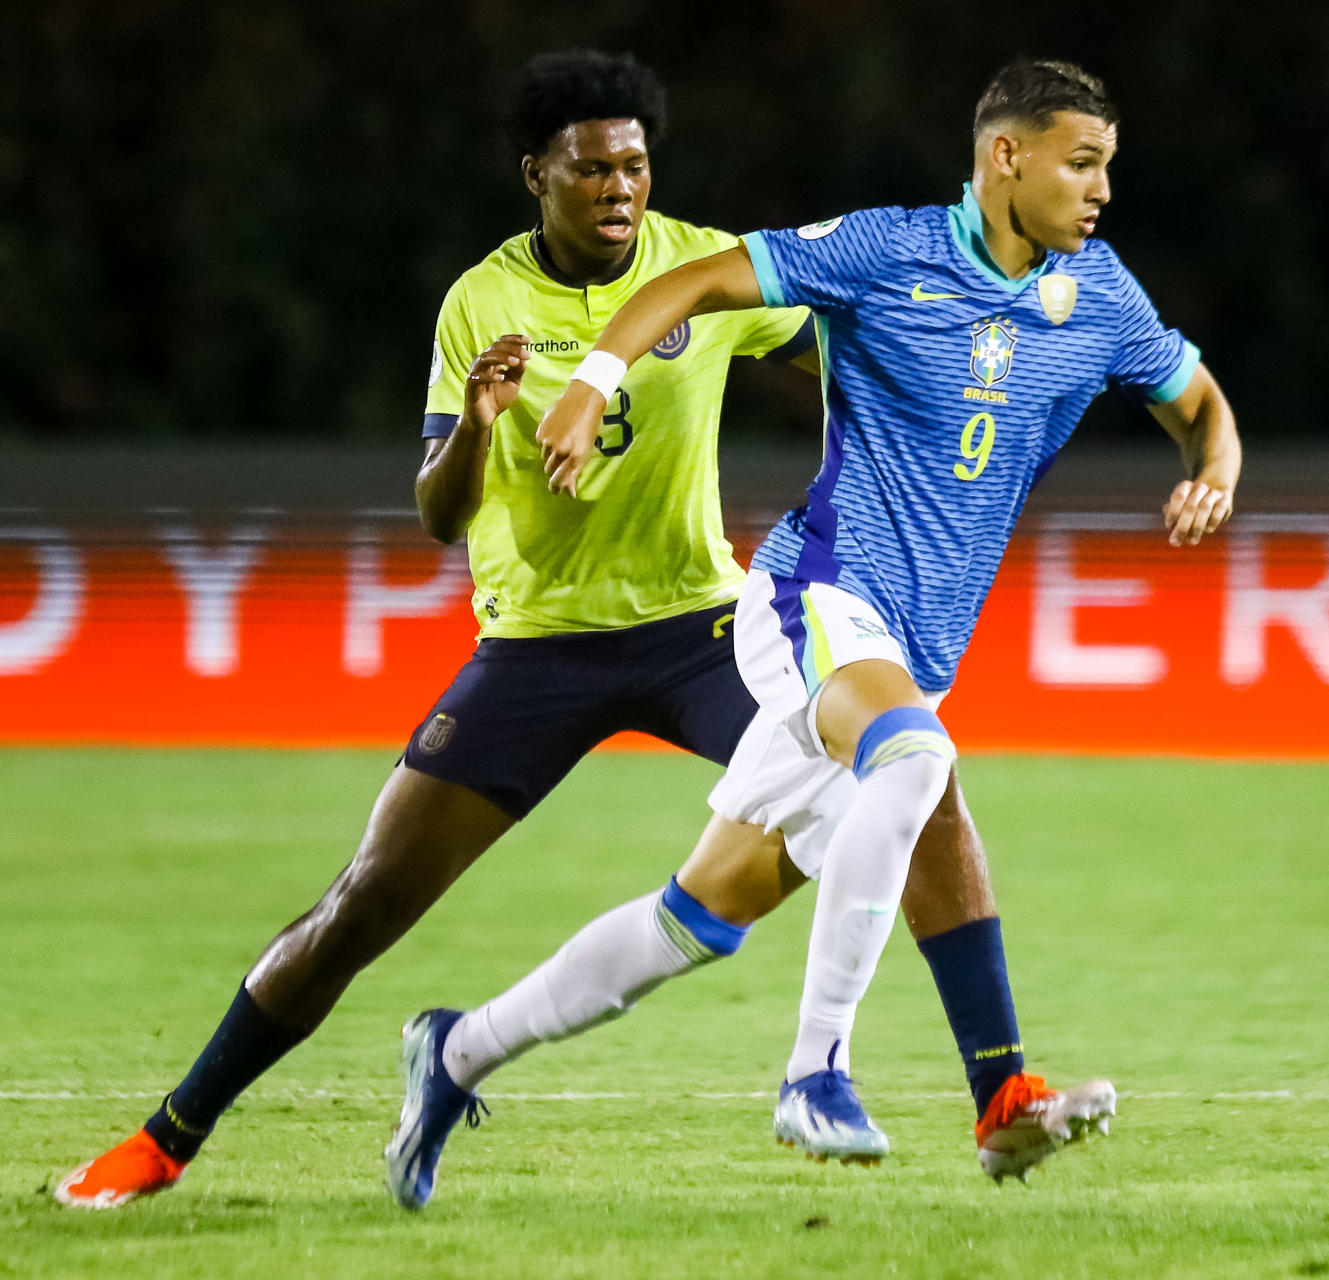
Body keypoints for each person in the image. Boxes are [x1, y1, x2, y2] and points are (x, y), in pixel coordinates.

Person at [55, 49, 1083, 1211]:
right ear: (535, 174)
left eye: (635, 166)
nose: (618, 189)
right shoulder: (481, 303)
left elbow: (859, 357)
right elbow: (441, 520)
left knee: (916, 772)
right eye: (591, 169)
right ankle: (169, 1135)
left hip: (700, 631)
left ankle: (997, 1087)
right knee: (365, 902)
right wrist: (476, 428)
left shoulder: (701, 268)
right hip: (537, 649)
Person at [533, 56, 1240, 1168]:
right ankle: (823, 1075)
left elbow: (1200, 404)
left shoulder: (1097, 294)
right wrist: (592, 382)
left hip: (918, 642)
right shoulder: (889, 249)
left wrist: (1217, 470)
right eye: (1083, 163)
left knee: (705, 908)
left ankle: (459, 1050)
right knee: (919, 771)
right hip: (813, 593)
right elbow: (696, 282)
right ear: (1007, 155)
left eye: (1109, 166)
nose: (1102, 190)